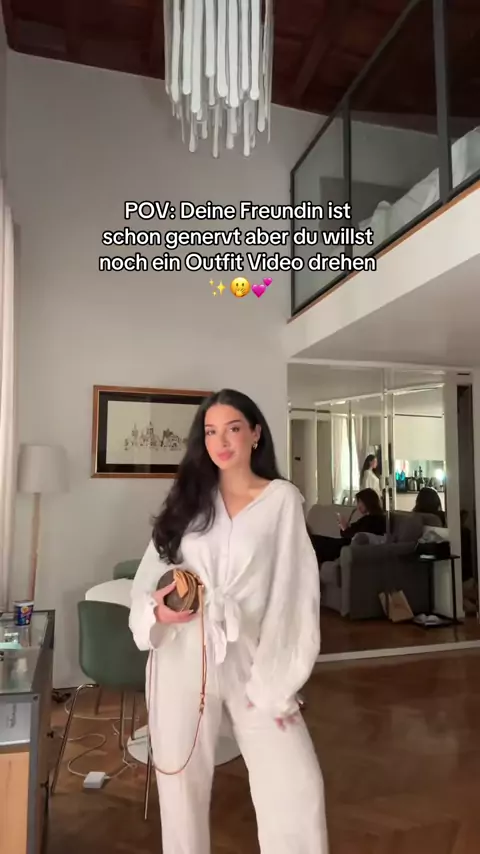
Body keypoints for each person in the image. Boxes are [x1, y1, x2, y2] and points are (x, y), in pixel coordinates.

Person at [129, 388, 329, 854]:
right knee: (180, 787)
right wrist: (157, 611)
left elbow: (295, 593)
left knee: (297, 787)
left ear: (255, 433)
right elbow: (147, 579)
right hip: (181, 655)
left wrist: (279, 680)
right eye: (211, 431)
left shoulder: (281, 500)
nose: (221, 441)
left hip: (250, 656)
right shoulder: (189, 501)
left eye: (233, 428)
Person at [311, 488, 386, 565]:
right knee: (317, 541)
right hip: (344, 546)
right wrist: (345, 527)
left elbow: (356, 535)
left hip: (346, 547)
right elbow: (350, 532)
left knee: (316, 542)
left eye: (359, 502)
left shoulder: (373, 520)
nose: (358, 506)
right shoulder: (370, 518)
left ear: (367, 502)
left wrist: (345, 527)